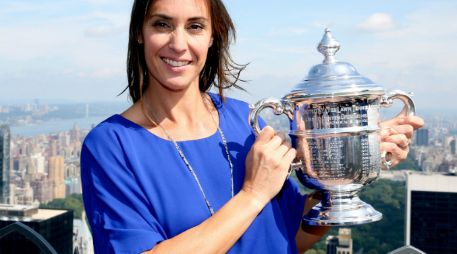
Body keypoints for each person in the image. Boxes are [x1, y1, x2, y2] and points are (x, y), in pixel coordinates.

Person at [80, 0, 424, 253]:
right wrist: (253, 194)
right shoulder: (112, 146)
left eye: (195, 26)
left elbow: (294, 235)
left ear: (213, 37)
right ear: (139, 34)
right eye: (162, 24)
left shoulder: (242, 119)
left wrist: (350, 160)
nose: (179, 44)